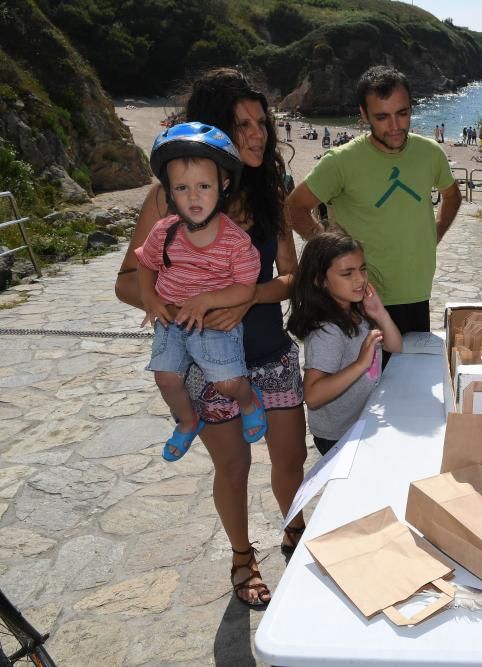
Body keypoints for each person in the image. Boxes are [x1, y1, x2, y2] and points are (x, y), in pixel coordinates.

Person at [115, 68, 308, 608]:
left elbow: (289, 278)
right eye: (241, 124)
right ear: (212, 130)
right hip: (206, 366)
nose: (256, 135)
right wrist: (179, 309)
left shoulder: (272, 188)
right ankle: (242, 559)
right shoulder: (171, 196)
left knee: (291, 461)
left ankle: (296, 532)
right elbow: (128, 282)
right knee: (234, 466)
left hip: (270, 354)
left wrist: (243, 297)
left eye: (261, 124)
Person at [285, 65, 462, 335]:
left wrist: (435, 233)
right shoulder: (341, 162)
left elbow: (452, 194)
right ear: (363, 115)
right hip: (360, 300)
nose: (395, 126)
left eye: (403, 113)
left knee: (411, 375)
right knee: (368, 377)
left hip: (417, 292)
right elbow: (295, 207)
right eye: (382, 117)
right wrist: (332, 254)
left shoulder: (430, 153)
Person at [137, 122, 267, 462]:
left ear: (224, 185)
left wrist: (206, 299)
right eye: (182, 187)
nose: (193, 196)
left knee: (227, 383)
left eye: (204, 185)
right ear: (169, 191)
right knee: (165, 379)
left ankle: (248, 400)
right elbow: (146, 264)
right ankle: (187, 420)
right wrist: (150, 298)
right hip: (172, 320)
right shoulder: (164, 232)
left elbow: (245, 288)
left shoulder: (235, 242)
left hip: (214, 322)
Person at [287, 230, 402, 455]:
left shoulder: (358, 311)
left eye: (362, 269)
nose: (360, 279)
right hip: (338, 436)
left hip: (360, 421)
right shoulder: (328, 331)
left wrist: (380, 314)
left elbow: (395, 347)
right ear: (320, 281)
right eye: (347, 274)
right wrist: (360, 364)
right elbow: (312, 395)